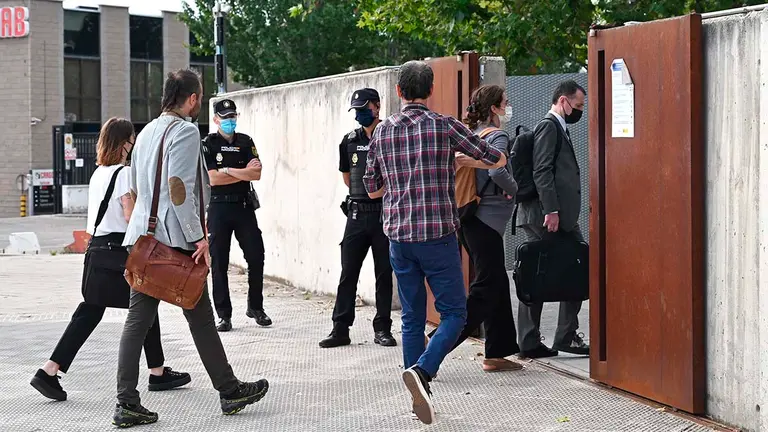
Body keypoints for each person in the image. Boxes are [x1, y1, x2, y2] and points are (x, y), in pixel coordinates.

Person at [114, 69, 269, 428]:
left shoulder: (148, 131)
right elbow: (179, 188)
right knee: (187, 314)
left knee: (151, 319)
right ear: (194, 98)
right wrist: (199, 238)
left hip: (145, 241)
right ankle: (227, 391)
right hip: (173, 241)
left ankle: (130, 401)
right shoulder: (184, 131)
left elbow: (139, 186)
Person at [363, 60, 506, 425]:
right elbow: (494, 157)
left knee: (411, 316)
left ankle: (418, 393)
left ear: (398, 92)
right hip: (437, 236)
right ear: (430, 92)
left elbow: (372, 186)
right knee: (455, 315)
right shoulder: (444, 126)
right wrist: (458, 162)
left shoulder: (381, 133)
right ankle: (424, 372)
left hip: (398, 235)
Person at [29, 118, 190, 402]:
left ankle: (50, 370)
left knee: (91, 310)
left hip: (97, 251)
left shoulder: (98, 174)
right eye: (131, 139)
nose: (134, 145)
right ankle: (157, 372)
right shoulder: (124, 174)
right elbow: (129, 217)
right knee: (145, 301)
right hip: (119, 252)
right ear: (123, 143)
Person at [426, 84, 522, 372]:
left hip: (468, 216)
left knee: (496, 284)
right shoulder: (498, 135)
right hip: (486, 220)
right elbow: (496, 168)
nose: (507, 107)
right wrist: (514, 189)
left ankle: (497, 352)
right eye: (504, 102)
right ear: (494, 108)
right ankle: (435, 345)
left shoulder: (472, 135)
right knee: (486, 286)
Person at [516, 79, 590, 359]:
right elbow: (542, 170)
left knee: (573, 267)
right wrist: (551, 211)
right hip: (545, 216)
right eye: (578, 105)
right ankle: (530, 340)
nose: (579, 111)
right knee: (535, 274)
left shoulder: (560, 127)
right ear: (563, 101)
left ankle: (563, 335)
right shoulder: (549, 126)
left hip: (558, 215)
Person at [319, 88, 396, 349]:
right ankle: (340, 328)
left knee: (384, 273)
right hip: (356, 213)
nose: (361, 114)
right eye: (357, 110)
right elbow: (347, 176)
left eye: (365, 108)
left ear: (377, 106)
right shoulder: (349, 140)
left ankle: (382, 328)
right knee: (348, 272)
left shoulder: (390, 136)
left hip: (384, 213)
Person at [202, 98, 270, 332]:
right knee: (219, 263)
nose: (229, 121)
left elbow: (257, 174)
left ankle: (256, 307)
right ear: (215, 120)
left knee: (256, 256)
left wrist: (228, 171)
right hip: (219, 207)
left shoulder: (245, 142)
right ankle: (224, 315)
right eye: (225, 118)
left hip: (243, 207)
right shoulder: (209, 143)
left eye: (232, 117)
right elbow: (212, 178)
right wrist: (243, 173)